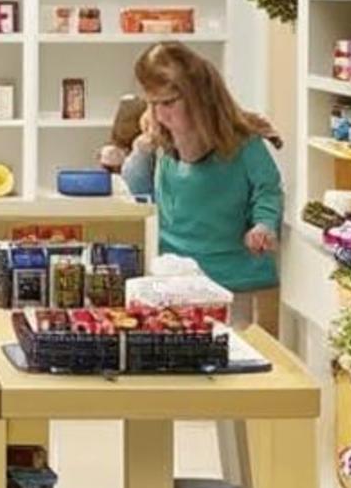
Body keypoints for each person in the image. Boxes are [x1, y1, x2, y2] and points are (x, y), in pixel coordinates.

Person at [109, 42, 284, 320]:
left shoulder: (244, 143)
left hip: (235, 282)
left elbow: (268, 190)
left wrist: (264, 224)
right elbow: (138, 195)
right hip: (173, 280)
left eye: (168, 103)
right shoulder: (160, 142)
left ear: (198, 98)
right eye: (153, 104)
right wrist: (142, 150)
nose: (160, 114)